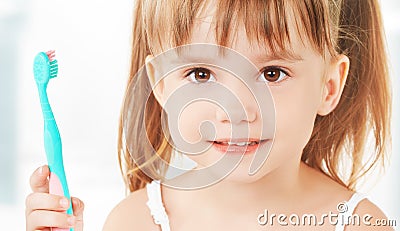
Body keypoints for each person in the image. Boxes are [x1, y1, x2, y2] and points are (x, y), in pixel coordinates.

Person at [25, 0, 394, 230]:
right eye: (201, 74)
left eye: (272, 74)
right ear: (162, 85)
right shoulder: (136, 222)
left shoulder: (362, 225)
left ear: (329, 86)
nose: (236, 110)